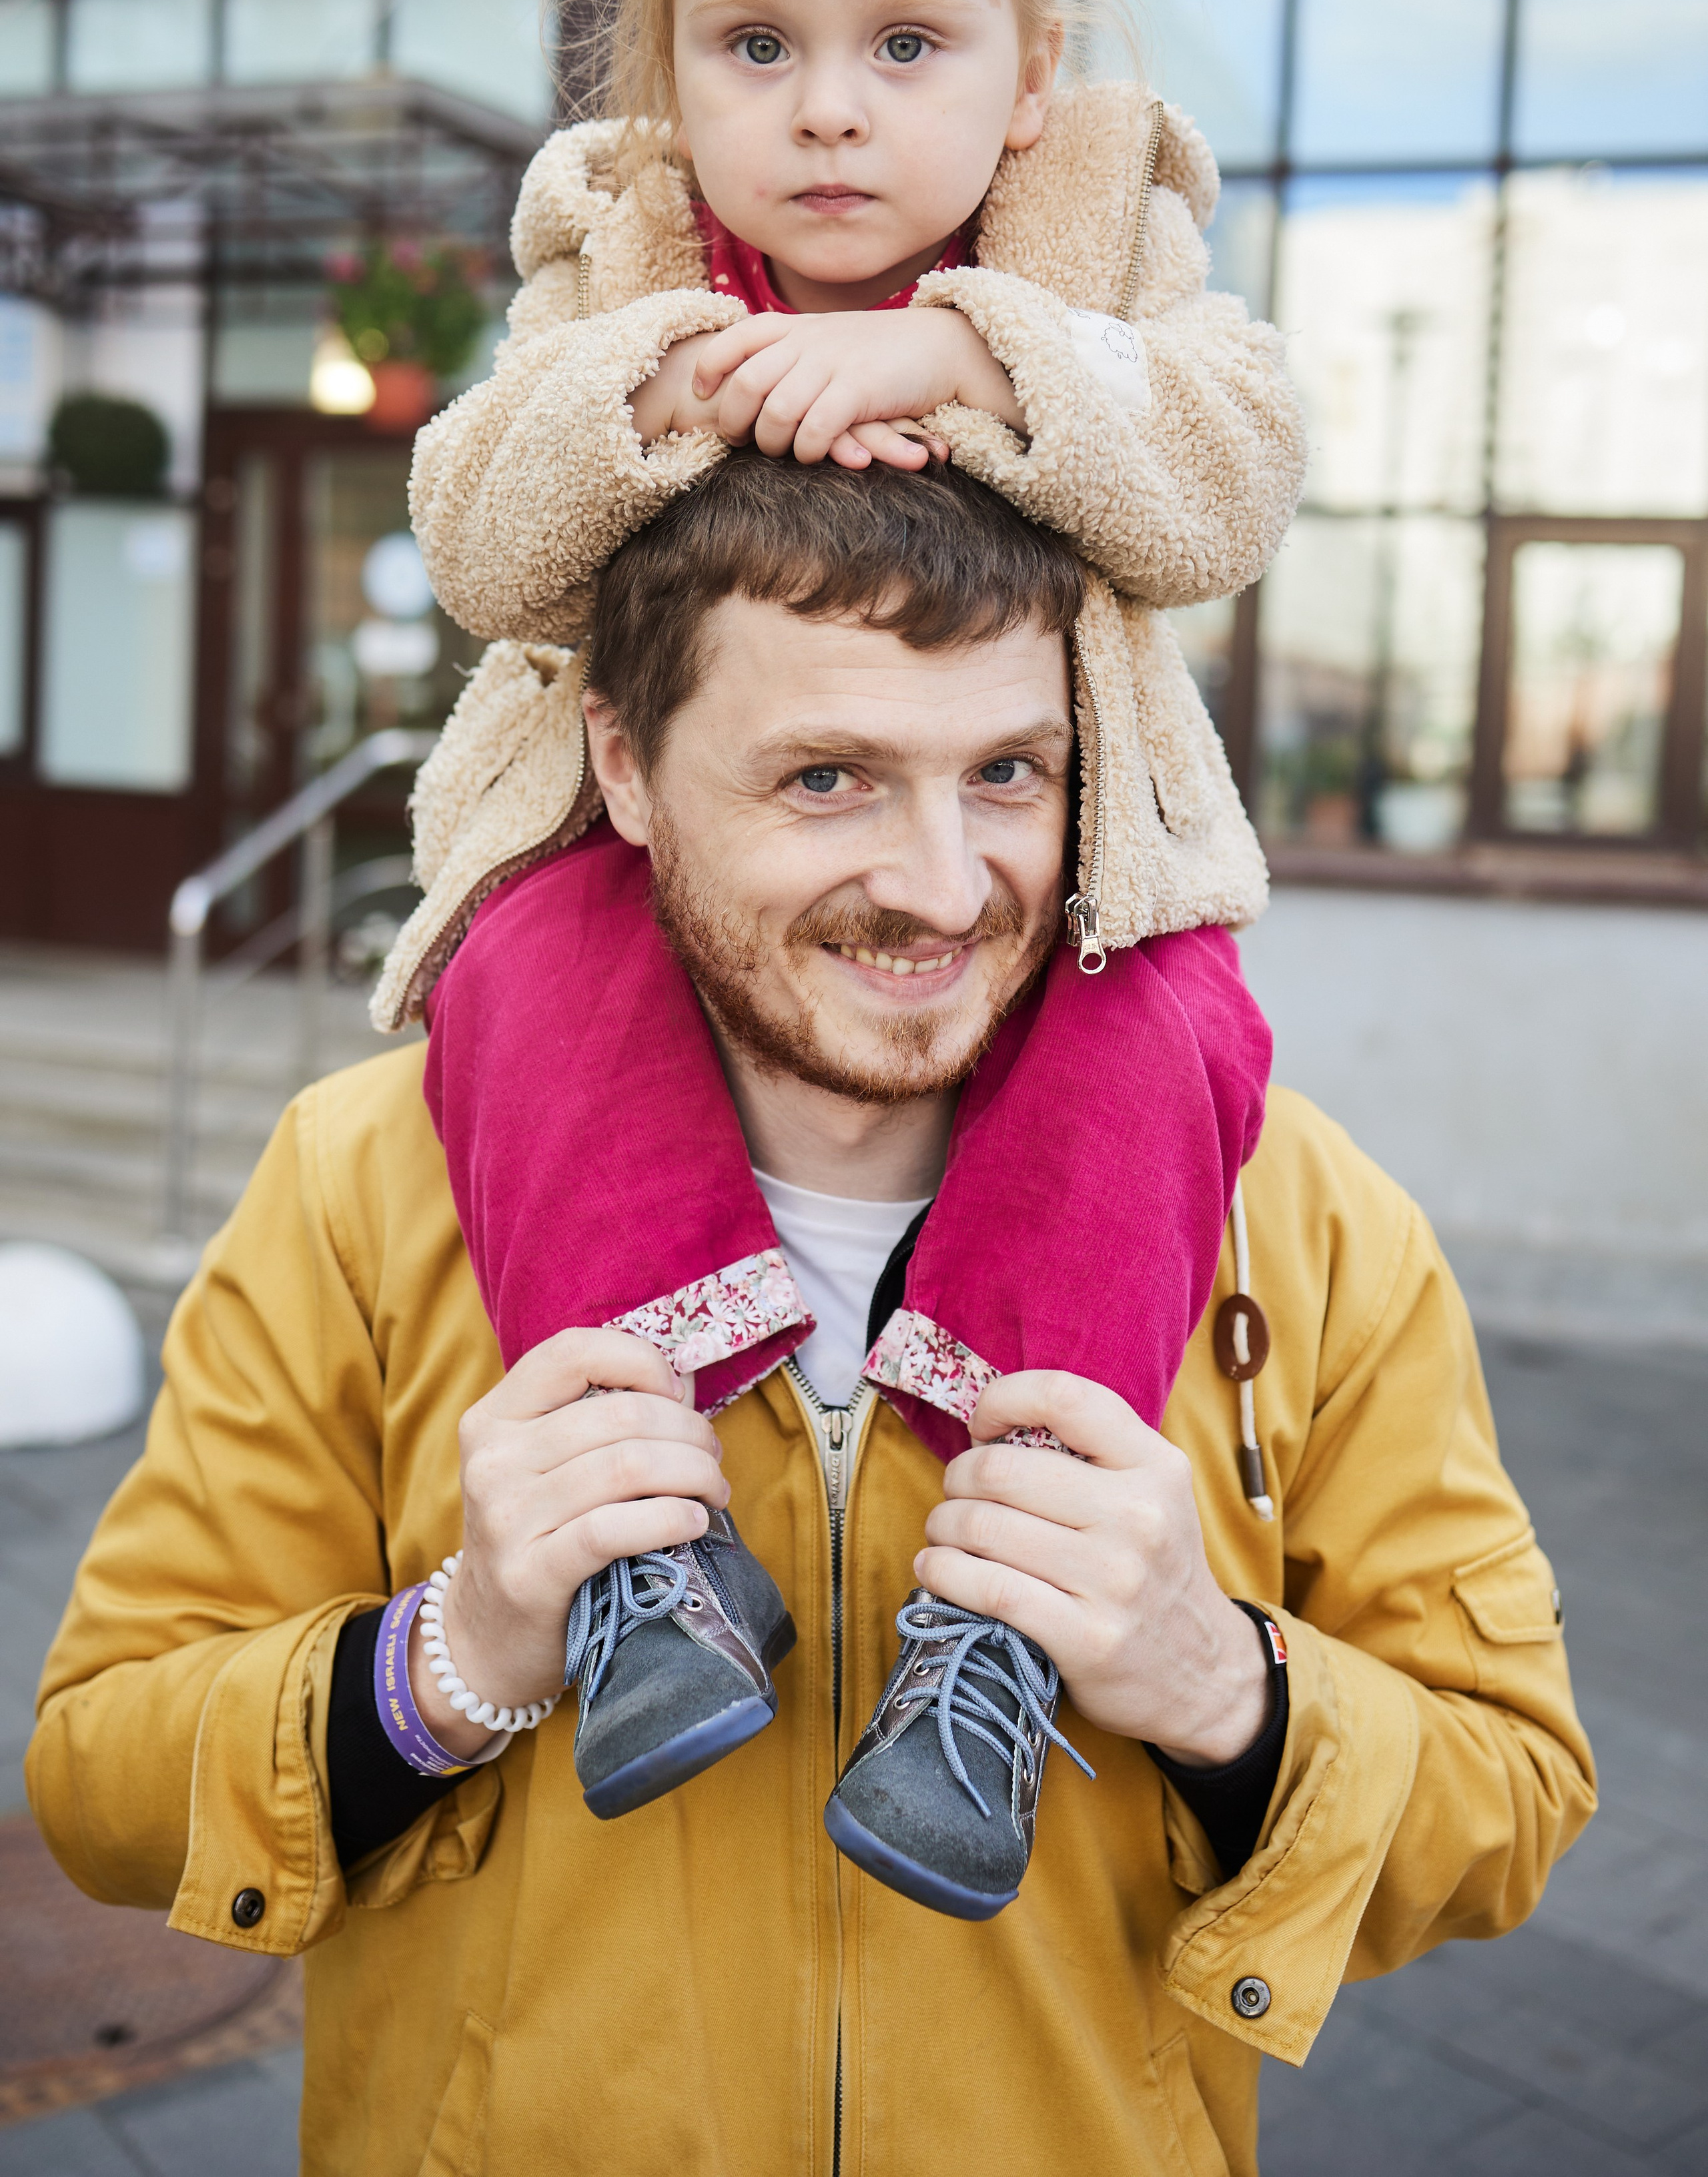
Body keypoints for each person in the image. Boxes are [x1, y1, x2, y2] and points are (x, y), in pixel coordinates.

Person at [30, 453, 1593, 2177]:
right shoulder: (357, 1188)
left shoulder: (1296, 1223)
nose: (941, 887)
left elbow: (1510, 1791)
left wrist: (1222, 1684)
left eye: (1008, 773)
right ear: (623, 766)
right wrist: (450, 1660)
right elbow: (102, 1772)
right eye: (829, 779)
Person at [387, 0, 1304, 1900]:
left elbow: (1227, 484)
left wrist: (971, 354)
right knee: (528, 981)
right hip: (622, 860)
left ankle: (991, 1612)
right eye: (757, 46)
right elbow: (477, 541)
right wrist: (652, 387)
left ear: (1024, 83)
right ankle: (643, 1556)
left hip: (1077, 888)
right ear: (668, 73)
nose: (826, 115)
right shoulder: (614, 258)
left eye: (906, 45)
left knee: (1169, 1039)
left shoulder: (1093, 246)